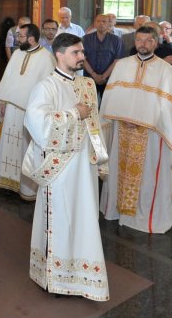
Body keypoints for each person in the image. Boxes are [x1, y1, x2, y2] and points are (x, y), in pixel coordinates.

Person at [22, 33, 109, 300]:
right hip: (60, 170)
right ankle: (56, 277)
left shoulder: (87, 85)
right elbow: (36, 122)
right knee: (60, 219)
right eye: (76, 52)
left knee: (83, 216)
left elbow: (93, 123)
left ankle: (80, 276)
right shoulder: (46, 87)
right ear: (59, 55)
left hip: (84, 166)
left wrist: (100, 157)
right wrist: (74, 114)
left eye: (82, 52)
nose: (82, 56)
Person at [98, 25, 172, 233]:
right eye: (139, 40)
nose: (143, 44)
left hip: (151, 133)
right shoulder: (121, 65)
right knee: (117, 173)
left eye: (148, 40)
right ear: (135, 42)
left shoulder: (165, 70)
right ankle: (115, 211)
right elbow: (112, 97)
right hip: (121, 129)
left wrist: (143, 120)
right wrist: (124, 117)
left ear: (156, 43)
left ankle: (142, 219)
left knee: (148, 179)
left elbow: (168, 106)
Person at [0, 22, 54, 200]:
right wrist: (2, 100)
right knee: (8, 145)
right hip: (11, 108)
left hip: (29, 112)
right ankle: (6, 182)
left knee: (26, 149)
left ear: (31, 39)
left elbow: (47, 88)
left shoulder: (46, 58)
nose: (17, 39)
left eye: (21, 36)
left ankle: (26, 188)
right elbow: (8, 78)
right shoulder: (17, 54)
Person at [82, 13, 124, 99]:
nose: (101, 23)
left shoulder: (116, 40)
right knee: (88, 104)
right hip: (89, 77)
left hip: (109, 79)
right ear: (94, 23)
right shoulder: (86, 39)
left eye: (104, 21)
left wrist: (104, 76)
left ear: (109, 24)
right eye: (98, 21)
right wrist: (94, 75)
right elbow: (83, 58)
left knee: (108, 105)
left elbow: (117, 60)